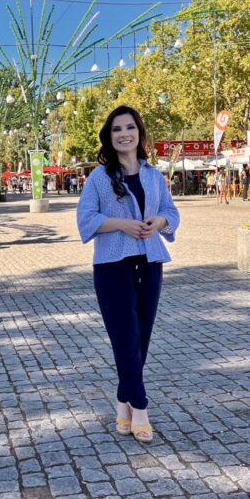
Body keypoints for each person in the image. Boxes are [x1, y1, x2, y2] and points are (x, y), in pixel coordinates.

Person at [76, 105, 179, 444]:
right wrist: (123, 224)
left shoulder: (152, 174)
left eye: (130, 127)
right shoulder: (99, 178)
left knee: (142, 337)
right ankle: (141, 409)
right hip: (112, 266)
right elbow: (86, 220)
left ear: (139, 132)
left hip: (150, 263)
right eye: (117, 129)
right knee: (125, 337)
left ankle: (123, 403)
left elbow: (170, 211)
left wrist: (158, 223)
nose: (124, 134)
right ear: (110, 136)